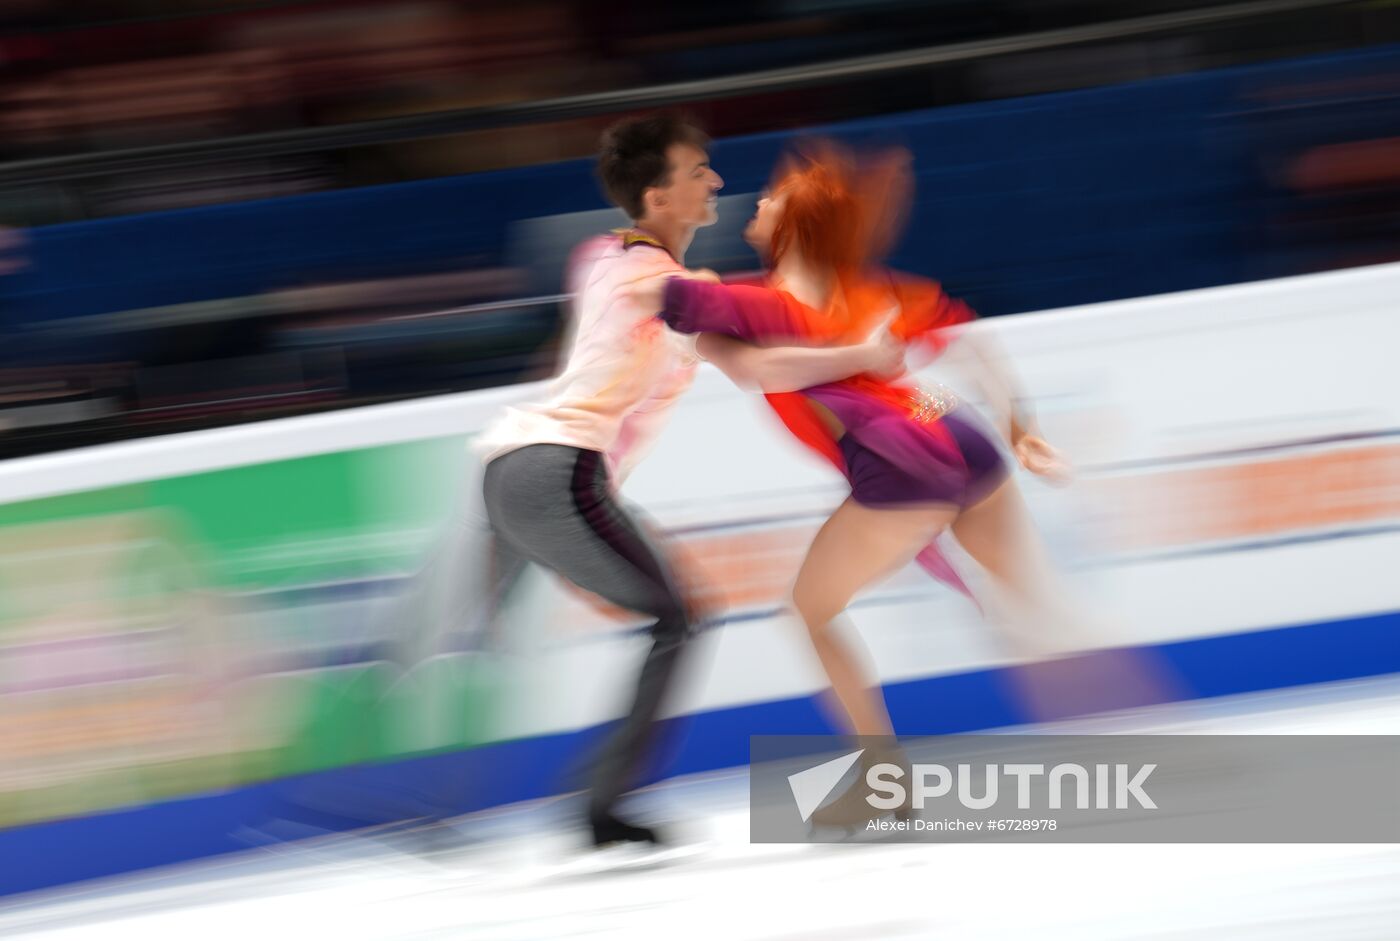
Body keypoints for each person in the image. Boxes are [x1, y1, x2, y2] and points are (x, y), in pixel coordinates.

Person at [471, 118, 905, 847]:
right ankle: (599, 804)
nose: (717, 182)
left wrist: (853, 351)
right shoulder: (645, 276)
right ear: (657, 193)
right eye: (699, 170)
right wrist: (848, 328)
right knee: (678, 616)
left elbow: (755, 366)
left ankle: (596, 800)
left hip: (527, 469)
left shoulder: (622, 267)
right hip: (555, 469)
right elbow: (723, 312)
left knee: (651, 617)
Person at [651, 142, 1075, 827]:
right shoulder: (867, 290)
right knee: (1032, 607)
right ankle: (1151, 732)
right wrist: (1017, 427)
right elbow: (965, 344)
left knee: (811, 609)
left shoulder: (762, 302)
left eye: (771, 197)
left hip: (904, 462)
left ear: (792, 225)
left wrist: (671, 296)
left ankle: (884, 776)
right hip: (952, 429)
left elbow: (745, 354)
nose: (757, 202)